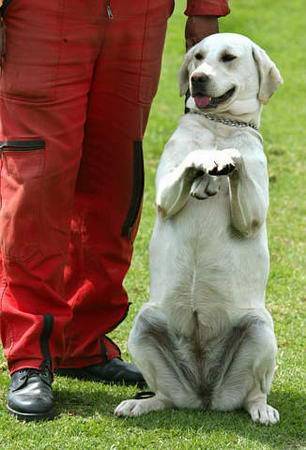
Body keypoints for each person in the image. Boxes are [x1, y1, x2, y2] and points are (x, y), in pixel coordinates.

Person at [0, 0, 229, 421]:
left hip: (137, 15)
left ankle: (82, 344)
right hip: (43, 14)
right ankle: (30, 355)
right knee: (36, 185)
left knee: (116, 184)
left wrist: (206, 6)